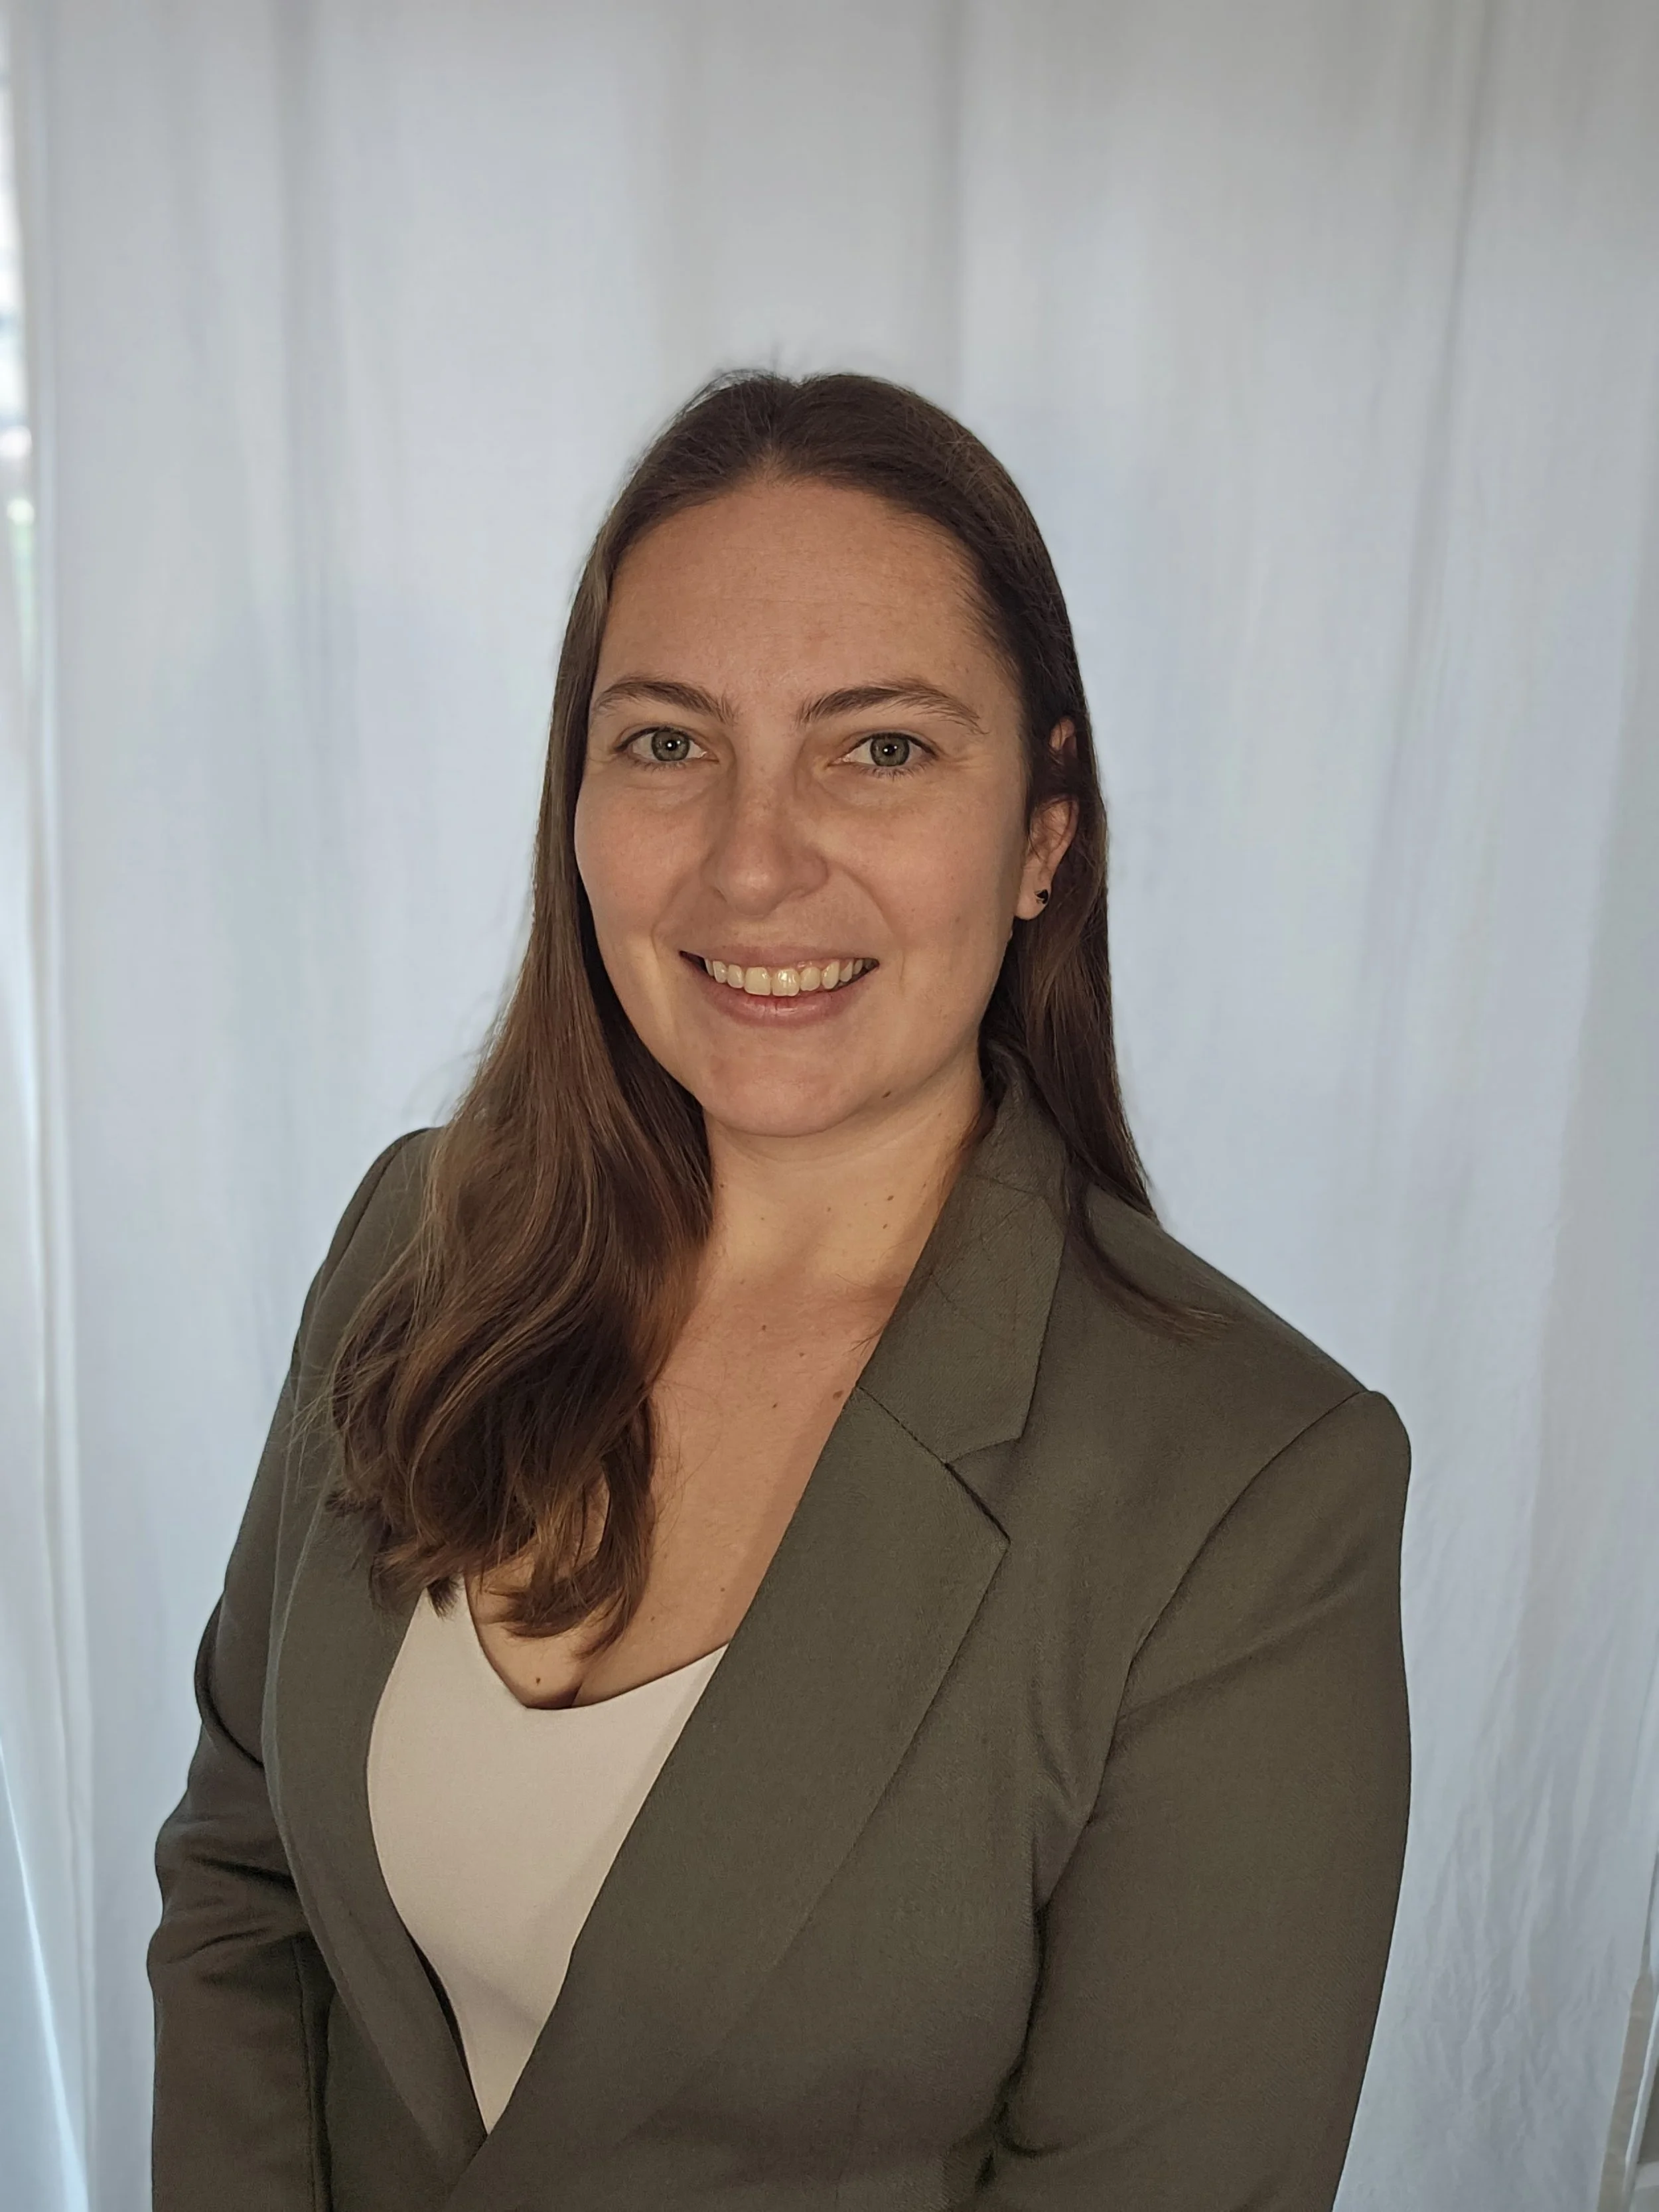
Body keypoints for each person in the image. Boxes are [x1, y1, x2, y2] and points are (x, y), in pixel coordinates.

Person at [147, 370, 1411, 2212]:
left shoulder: (1247, 1496)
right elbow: (245, 1875)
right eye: (667, 742)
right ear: (574, 796)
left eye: (876, 747)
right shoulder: (412, 1240)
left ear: (1046, 827)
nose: (753, 860)